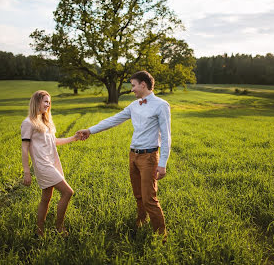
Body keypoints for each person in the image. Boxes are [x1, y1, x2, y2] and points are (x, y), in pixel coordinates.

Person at [77, 70, 171, 238]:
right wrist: (90, 130)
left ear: (143, 84)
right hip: (133, 155)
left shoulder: (161, 105)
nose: (132, 89)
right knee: (138, 195)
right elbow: (113, 120)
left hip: (149, 157)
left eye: (133, 85)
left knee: (149, 198)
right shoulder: (134, 105)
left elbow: (166, 136)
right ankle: (141, 222)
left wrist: (162, 163)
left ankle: (161, 236)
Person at [21, 90, 80, 237]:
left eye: (49, 102)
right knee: (68, 192)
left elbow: (54, 142)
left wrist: (74, 138)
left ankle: (39, 231)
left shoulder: (45, 122)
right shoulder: (28, 123)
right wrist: (27, 172)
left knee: (46, 198)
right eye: (45, 101)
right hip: (43, 166)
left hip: (52, 163)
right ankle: (59, 227)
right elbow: (24, 148)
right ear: (37, 102)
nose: (48, 104)